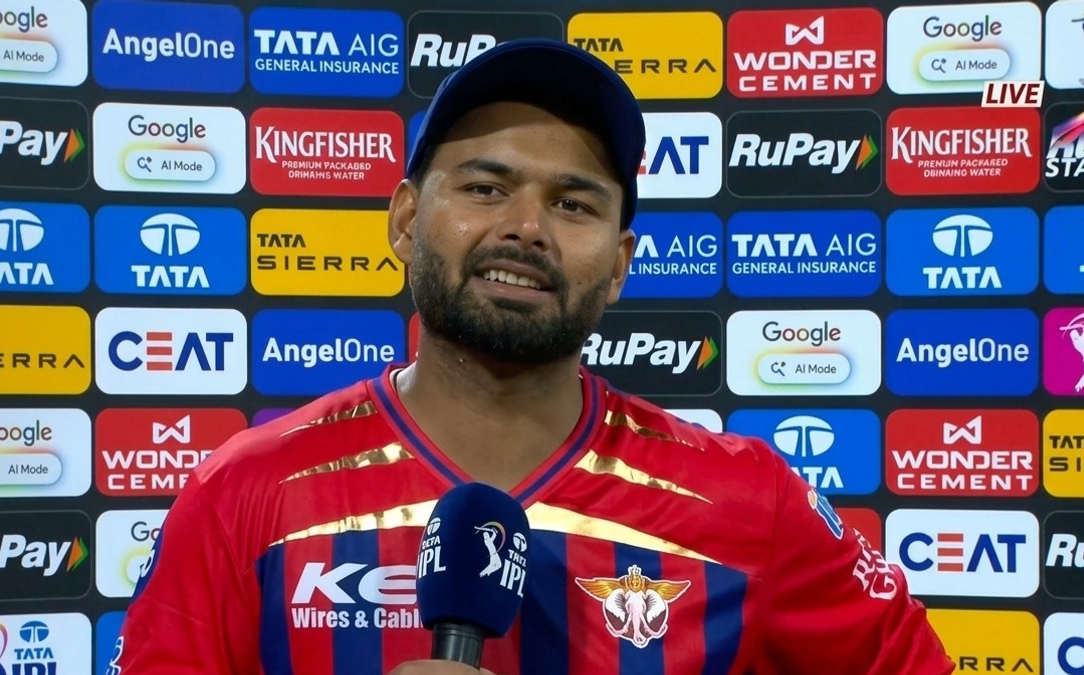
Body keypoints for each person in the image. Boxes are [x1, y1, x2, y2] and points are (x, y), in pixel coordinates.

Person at [110, 38, 954, 674]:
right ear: (406, 221)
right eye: (485, 188)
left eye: (573, 204)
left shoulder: (750, 501)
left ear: (619, 263)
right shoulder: (244, 493)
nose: (525, 227)